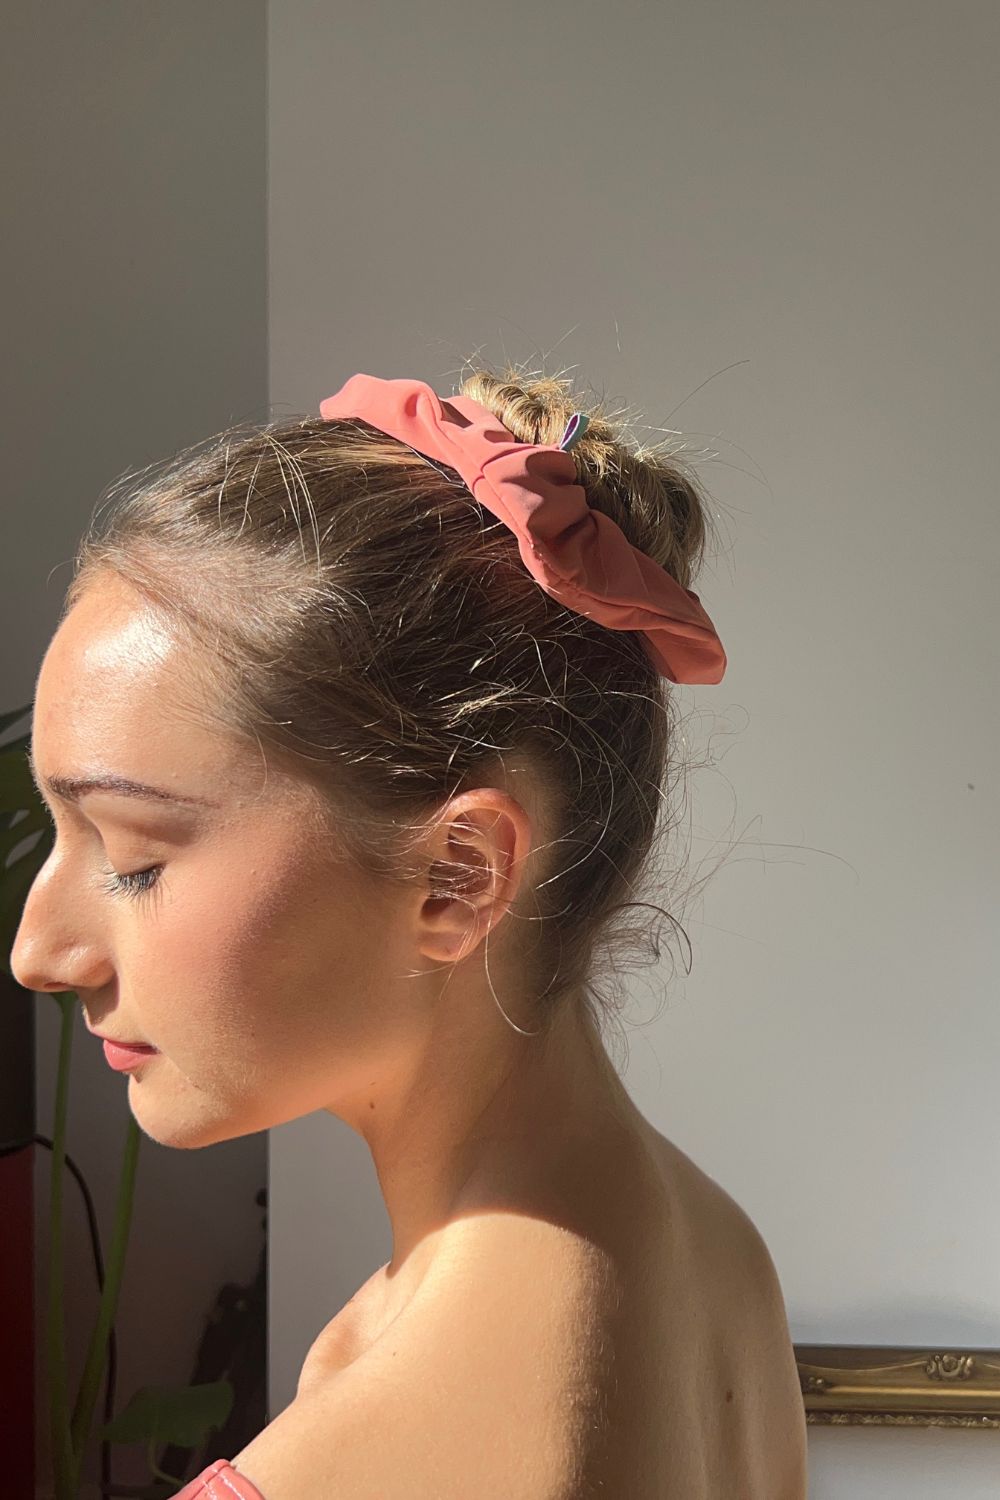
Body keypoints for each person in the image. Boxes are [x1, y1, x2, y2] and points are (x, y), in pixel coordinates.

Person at [11, 361, 808, 1499]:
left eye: (134, 859)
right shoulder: (707, 1254)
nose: (39, 951)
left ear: (456, 876)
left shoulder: (417, 1437)